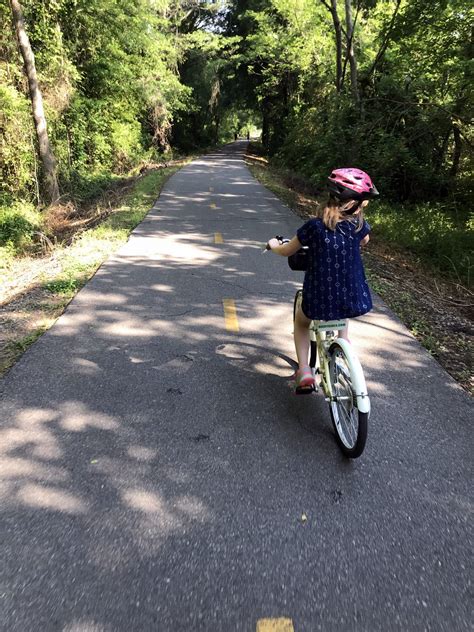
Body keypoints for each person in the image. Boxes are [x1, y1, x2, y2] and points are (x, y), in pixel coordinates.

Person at [267, 168, 379, 390]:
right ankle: (343, 340)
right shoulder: (358, 227)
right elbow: (364, 241)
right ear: (357, 204)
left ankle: (305, 372)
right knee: (342, 304)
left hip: (318, 298)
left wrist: (273, 246)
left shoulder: (314, 227)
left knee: (302, 322)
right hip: (354, 297)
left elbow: (288, 251)